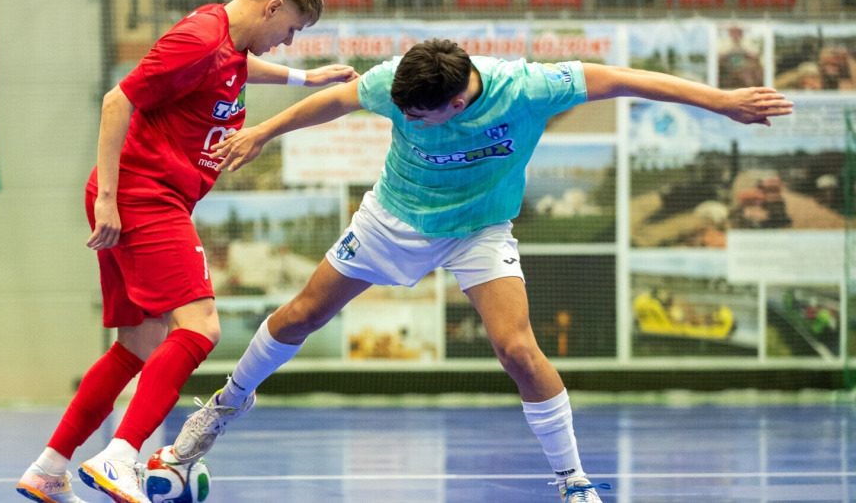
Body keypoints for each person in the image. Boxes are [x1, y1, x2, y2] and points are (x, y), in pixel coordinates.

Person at [169, 38, 794, 503]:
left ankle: (574, 483)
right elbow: (334, 100)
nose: (408, 121)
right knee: (302, 315)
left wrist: (720, 101)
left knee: (517, 348)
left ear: (460, 98)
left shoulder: (528, 87)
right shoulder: (399, 83)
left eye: (421, 115)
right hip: (392, 219)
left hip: (479, 230)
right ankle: (224, 406)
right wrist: (264, 133)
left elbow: (623, 80)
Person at [15, 0, 358, 502]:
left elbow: (233, 67)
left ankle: (48, 468)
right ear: (272, 6)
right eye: (292, 27)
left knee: (139, 346)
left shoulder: (223, 42)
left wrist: (304, 79)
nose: (289, 41)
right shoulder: (198, 38)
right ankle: (121, 455)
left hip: (142, 195)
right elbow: (116, 101)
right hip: (141, 196)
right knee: (200, 329)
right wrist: (109, 197)